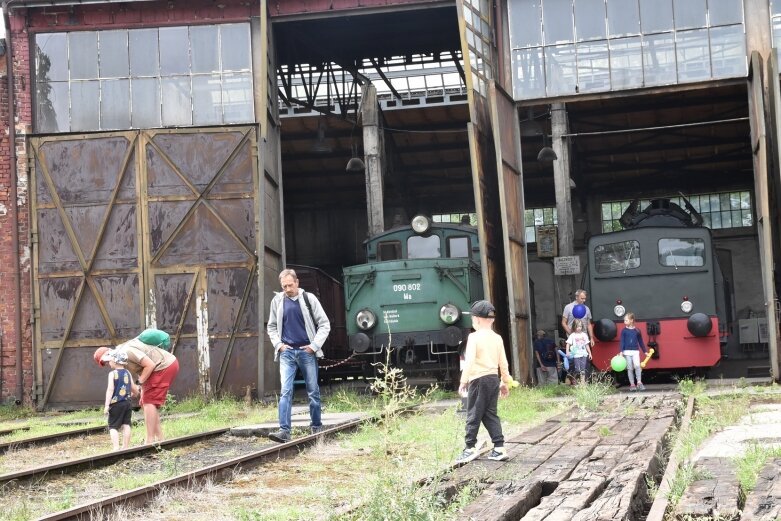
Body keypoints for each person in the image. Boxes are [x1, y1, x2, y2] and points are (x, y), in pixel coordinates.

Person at [266, 268, 331, 443]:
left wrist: (314, 346)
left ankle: (316, 427)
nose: (287, 289)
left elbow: (324, 324)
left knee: (313, 391)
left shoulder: (309, 299)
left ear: (297, 282)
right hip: (286, 353)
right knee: (285, 391)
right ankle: (284, 431)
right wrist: (279, 345)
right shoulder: (277, 301)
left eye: (290, 285)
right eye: (284, 286)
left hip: (306, 352)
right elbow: (271, 326)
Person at [94, 336, 179, 445]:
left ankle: (149, 441)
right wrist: (136, 391)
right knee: (145, 402)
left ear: (109, 353)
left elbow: (150, 365)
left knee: (149, 402)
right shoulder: (121, 358)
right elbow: (133, 383)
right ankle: (160, 439)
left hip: (163, 365)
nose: (109, 365)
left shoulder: (126, 351)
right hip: (159, 368)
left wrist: (140, 383)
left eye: (106, 362)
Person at [455, 300, 512, 464]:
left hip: (478, 380)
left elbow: (469, 361)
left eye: (473, 318)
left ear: (477, 320)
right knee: (489, 413)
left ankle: (469, 447)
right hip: (493, 379)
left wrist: (463, 381)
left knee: (473, 412)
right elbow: (504, 363)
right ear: (492, 319)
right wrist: (504, 381)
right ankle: (499, 448)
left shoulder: (473, 337)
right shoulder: (497, 338)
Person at [102, 351, 138, 451]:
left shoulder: (112, 374)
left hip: (116, 404)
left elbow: (110, 389)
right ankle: (125, 446)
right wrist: (134, 394)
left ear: (114, 361)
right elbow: (132, 387)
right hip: (127, 403)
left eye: (110, 361)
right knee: (126, 424)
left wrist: (106, 405)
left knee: (113, 426)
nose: (109, 362)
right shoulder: (127, 373)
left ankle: (116, 447)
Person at [619, 312, 647, 391]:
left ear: (631, 320)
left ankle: (639, 382)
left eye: (626, 320)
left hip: (635, 351)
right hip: (626, 352)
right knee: (630, 368)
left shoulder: (637, 331)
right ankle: (632, 384)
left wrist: (645, 351)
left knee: (637, 366)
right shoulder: (624, 331)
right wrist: (621, 351)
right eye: (624, 320)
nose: (624, 322)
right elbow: (622, 342)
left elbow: (640, 341)